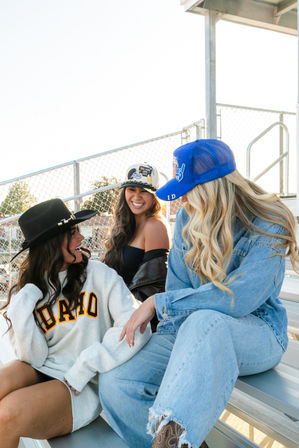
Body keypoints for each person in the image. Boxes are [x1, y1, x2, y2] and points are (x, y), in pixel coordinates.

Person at [98, 139, 299, 448]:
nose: (184, 199)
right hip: (193, 329)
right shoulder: (189, 217)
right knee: (117, 383)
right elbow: (179, 288)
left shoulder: (268, 221)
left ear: (214, 186)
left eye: (190, 189)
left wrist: (158, 302)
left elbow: (240, 297)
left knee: (205, 319)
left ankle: (169, 442)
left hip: (258, 334)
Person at [0, 198, 151, 447]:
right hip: (42, 369)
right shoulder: (28, 292)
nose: (81, 238)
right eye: (72, 233)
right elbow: (34, 358)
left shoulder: (99, 275)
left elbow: (137, 326)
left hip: (80, 384)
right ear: (51, 244)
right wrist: (22, 308)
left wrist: (86, 364)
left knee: (6, 415)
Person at [103, 162, 170, 330]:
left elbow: (154, 286)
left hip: (138, 319)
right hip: (117, 309)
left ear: (154, 196)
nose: (137, 197)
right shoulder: (125, 225)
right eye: (131, 189)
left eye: (144, 191)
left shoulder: (155, 226)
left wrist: (115, 311)